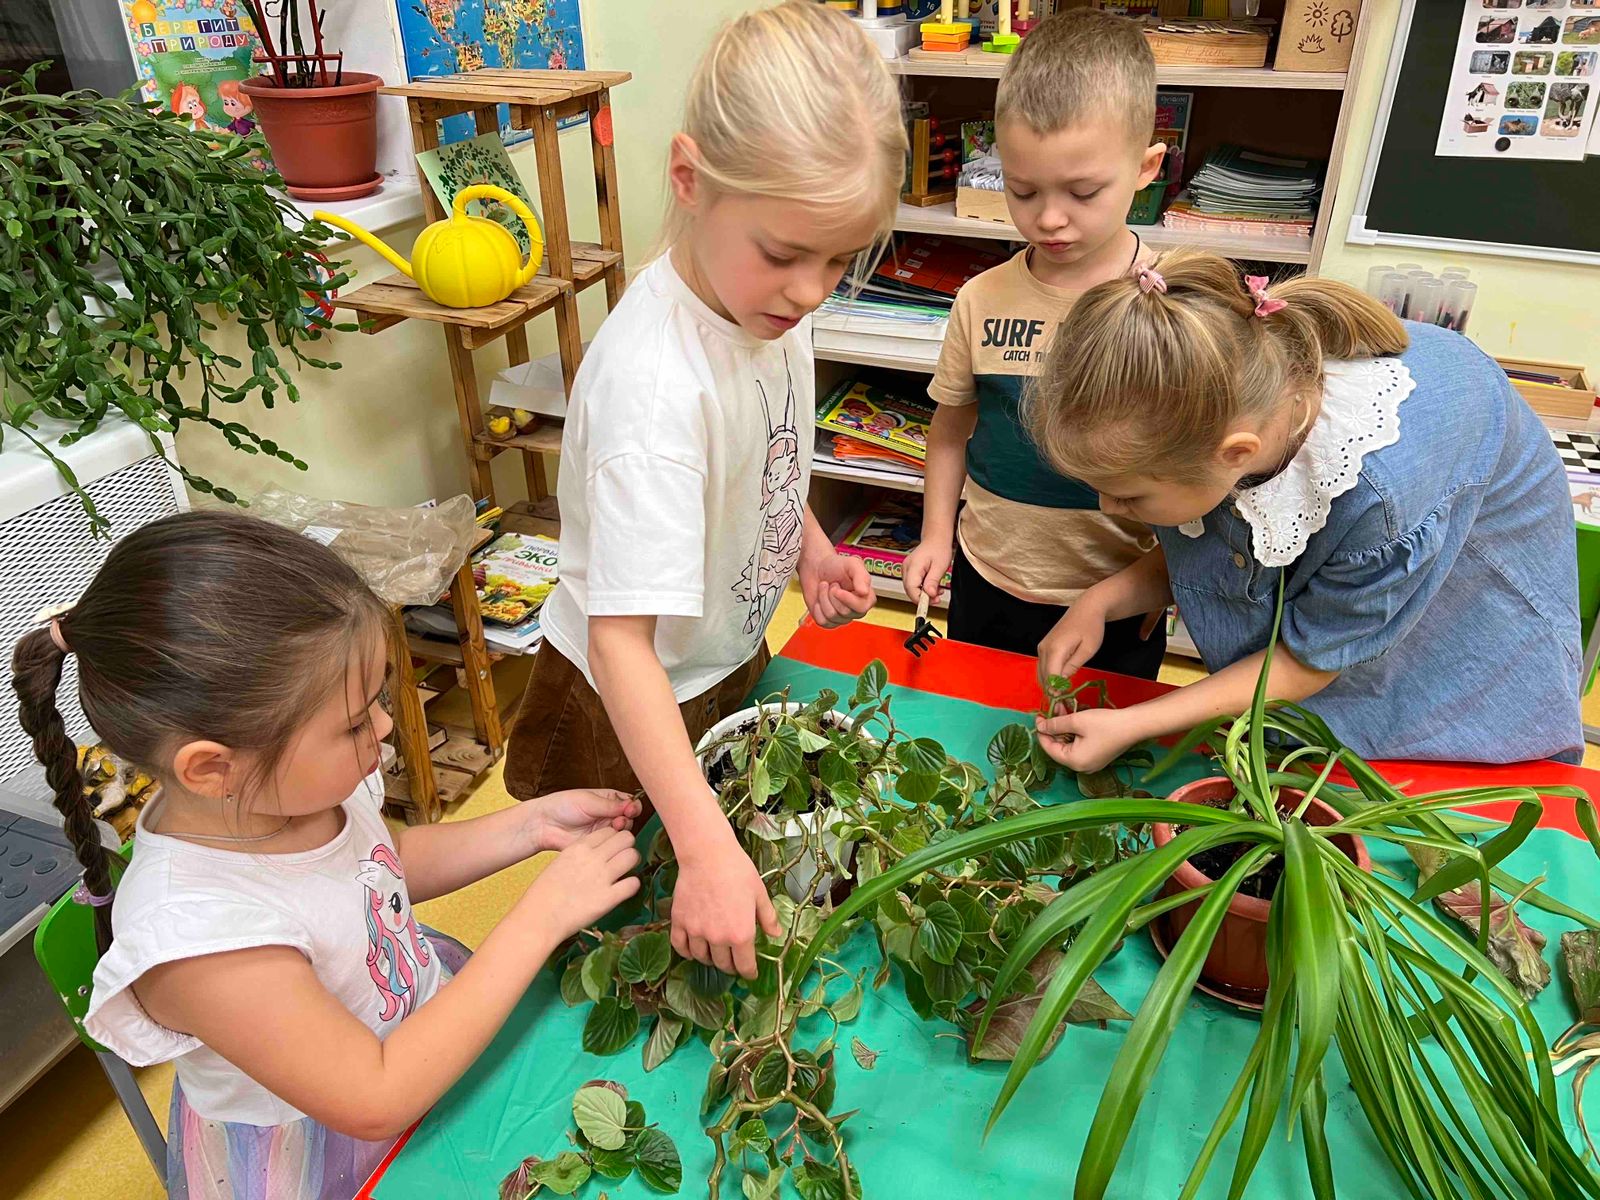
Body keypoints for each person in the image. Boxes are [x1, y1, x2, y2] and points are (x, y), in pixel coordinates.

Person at [10, 511, 642, 1200]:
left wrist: (528, 828)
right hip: (332, 1144)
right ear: (211, 768)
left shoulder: (281, 789)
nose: (384, 723)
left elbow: (373, 869)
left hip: (410, 1030)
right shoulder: (198, 939)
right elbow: (374, 1095)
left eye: (373, 698)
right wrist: (538, 918)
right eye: (353, 722)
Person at [503, 0, 906, 981]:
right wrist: (705, 847)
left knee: (713, 907)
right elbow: (620, 643)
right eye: (787, 255)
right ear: (689, 179)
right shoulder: (654, 389)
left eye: (837, 261)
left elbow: (761, 448)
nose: (813, 290)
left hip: (720, 656)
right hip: (622, 702)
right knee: (624, 942)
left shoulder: (760, 298)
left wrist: (804, 544)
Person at [1025, 251, 1583, 768]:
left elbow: (1310, 659)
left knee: (1395, 778)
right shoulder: (1228, 412)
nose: (1108, 506)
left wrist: (1136, 724)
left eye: (1130, 496)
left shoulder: (1377, 498)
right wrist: (1103, 600)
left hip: (1461, 642)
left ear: (1236, 455)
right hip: (1339, 618)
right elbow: (1216, 533)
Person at [902, 9, 1169, 678]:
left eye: (1082, 192)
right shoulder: (981, 299)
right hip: (987, 579)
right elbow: (950, 430)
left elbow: (1204, 480)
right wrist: (936, 535)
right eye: (1022, 191)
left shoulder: (1173, 304)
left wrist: (1160, 578)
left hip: (1112, 603)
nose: (1048, 219)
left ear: (1146, 167)